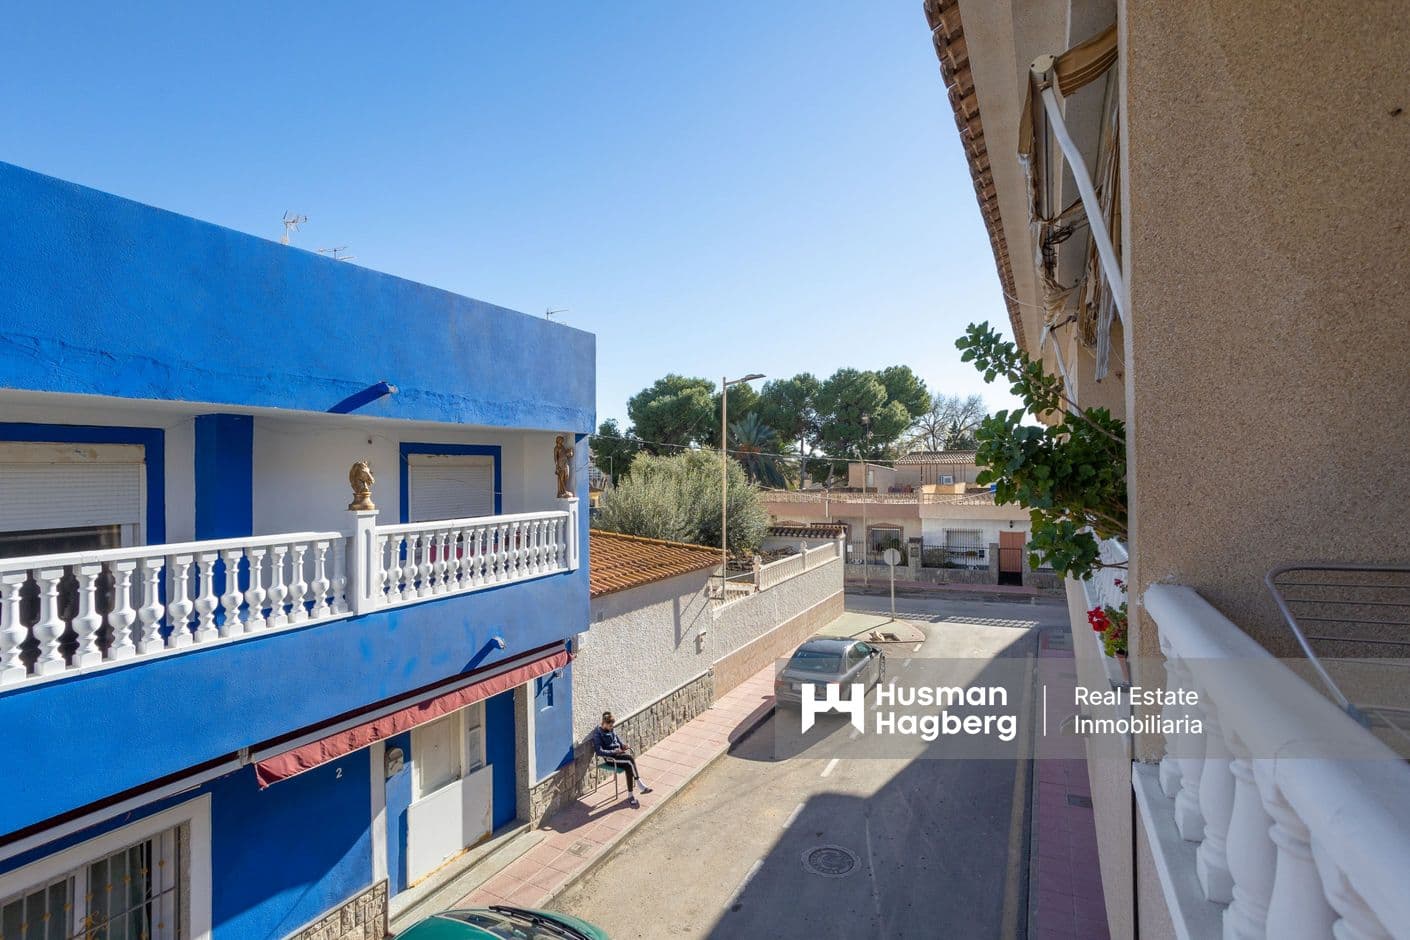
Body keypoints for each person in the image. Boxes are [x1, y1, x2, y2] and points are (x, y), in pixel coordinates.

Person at [592, 711, 652, 806]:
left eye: (612, 725)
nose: (612, 727)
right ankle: (640, 784)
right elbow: (599, 752)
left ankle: (630, 796)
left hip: (619, 754)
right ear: (604, 723)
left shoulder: (611, 729)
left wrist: (623, 745)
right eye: (610, 726)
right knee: (630, 759)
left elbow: (618, 741)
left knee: (629, 766)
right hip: (611, 758)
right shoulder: (598, 734)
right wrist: (614, 751)